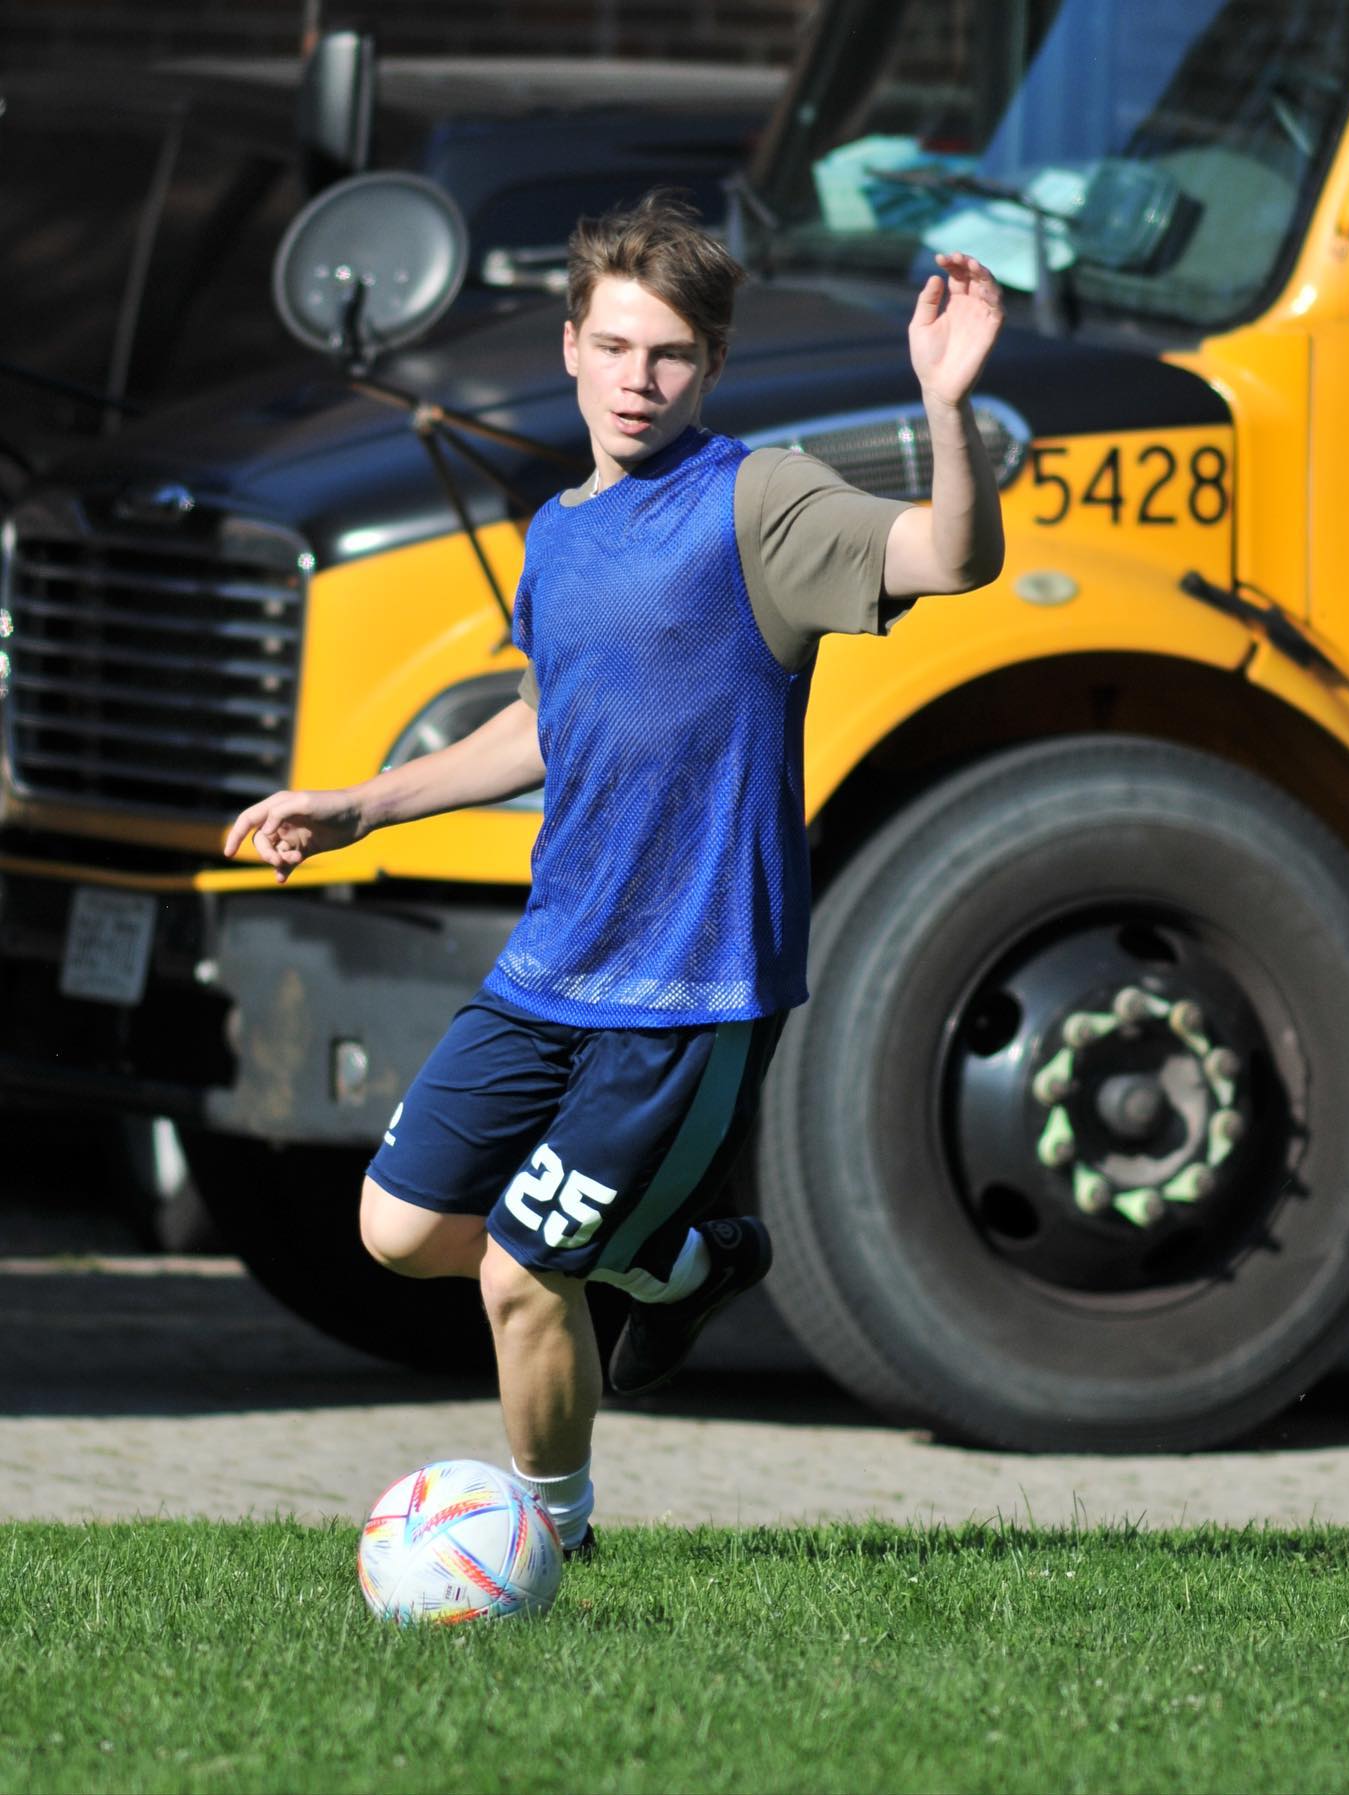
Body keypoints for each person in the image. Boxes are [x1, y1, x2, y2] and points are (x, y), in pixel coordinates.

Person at [224, 190, 1004, 1559]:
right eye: (619, 348)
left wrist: (944, 402)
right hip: (550, 969)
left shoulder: (757, 504)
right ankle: (689, 1265)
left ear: (710, 366)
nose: (641, 382)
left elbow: (950, 556)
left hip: (686, 994)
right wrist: (362, 804)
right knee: (398, 1229)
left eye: (674, 357)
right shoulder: (560, 532)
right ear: (570, 345)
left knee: (525, 1273)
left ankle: (552, 1539)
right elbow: (543, 722)